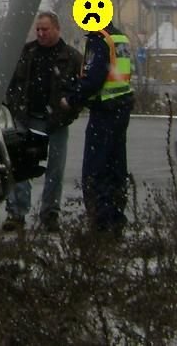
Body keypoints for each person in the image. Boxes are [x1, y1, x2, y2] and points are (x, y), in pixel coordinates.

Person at [1, 11, 82, 233]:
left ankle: (50, 214)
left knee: (55, 170)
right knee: (20, 168)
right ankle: (16, 213)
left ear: (57, 29)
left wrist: (67, 112)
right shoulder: (27, 53)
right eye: (38, 29)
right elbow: (11, 83)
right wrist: (15, 106)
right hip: (26, 119)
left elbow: (80, 91)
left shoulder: (71, 58)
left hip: (54, 123)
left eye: (45, 29)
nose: (40, 33)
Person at [61, 20, 134, 235]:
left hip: (105, 110)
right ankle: (116, 218)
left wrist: (72, 98)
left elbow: (94, 78)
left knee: (96, 169)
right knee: (116, 167)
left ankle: (100, 222)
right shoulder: (119, 37)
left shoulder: (99, 40)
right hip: (121, 107)